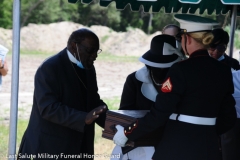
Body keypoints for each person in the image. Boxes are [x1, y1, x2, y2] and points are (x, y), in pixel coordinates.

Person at [113, 14, 237, 160]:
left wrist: (127, 132)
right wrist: (207, 130)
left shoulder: (180, 69)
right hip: (208, 148)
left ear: (187, 38)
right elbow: (229, 117)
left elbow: (160, 113)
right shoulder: (223, 70)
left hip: (177, 147)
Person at [18, 28, 107, 160]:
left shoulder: (88, 67)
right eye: (90, 51)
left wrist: (114, 122)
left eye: (96, 51)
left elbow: (92, 100)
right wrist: (83, 118)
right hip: (50, 147)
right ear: (74, 46)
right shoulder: (50, 68)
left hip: (80, 147)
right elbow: (48, 108)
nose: (94, 56)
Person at [111, 35, 183, 160]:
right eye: (156, 67)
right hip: (139, 146)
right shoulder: (134, 80)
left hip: (172, 144)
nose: (160, 71)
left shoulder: (181, 81)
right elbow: (126, 113)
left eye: (164, 67)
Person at [221, 69, 240, 160]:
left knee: (229, 151)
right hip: (231, 120)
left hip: (231, 120)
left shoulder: (230, 75)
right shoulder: (231, 75)